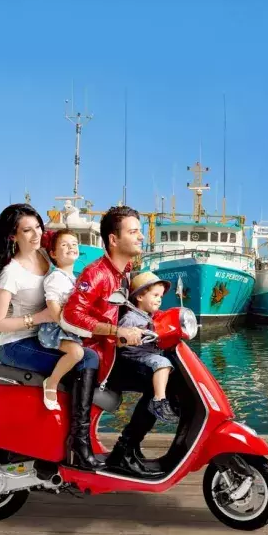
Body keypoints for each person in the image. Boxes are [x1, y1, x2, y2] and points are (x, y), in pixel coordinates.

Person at [0, 203, 101, 470]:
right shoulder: (12, 272)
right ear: (13, 236)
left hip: (48, 336)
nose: (35, 235)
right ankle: (78, 443)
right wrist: (39, 317)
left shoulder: (46, 254)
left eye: (38, 228)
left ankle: (66, 438)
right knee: (84, 359)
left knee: (94, 355)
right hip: (17, 344)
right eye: (27, 230)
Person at [62, 205, 177, 478]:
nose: (141, 237)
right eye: (134, 231)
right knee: (161, 382)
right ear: (114, 240)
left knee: (172, 379)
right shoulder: (96, 273)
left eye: (140, 231)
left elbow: (131, 310)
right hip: (98, 355)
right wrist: (114, 331)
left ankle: (127, 448)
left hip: (118, 352)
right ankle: (88, 444)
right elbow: (71, 314)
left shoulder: (124, 272)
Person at [117, 272, 178, 423]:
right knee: (162, 363)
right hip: (134, 356)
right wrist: (131, 337)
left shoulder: (151, 317)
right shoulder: (131, 318)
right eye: (155, 295)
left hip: (148, 354)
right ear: (139, 297)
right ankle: (159, 401)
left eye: (161, 297)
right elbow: (118, 342)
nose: (159, 299)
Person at [37, 229, 85, 411]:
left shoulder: (75, 278)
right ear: (53, 253)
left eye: (74, 244)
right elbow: (53, 304)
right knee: (76, 353)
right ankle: (51, 383)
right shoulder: (56, 277)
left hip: (73, 326)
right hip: (57, 328)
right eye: (64, 245)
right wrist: (64, 324)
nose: (70, 247)